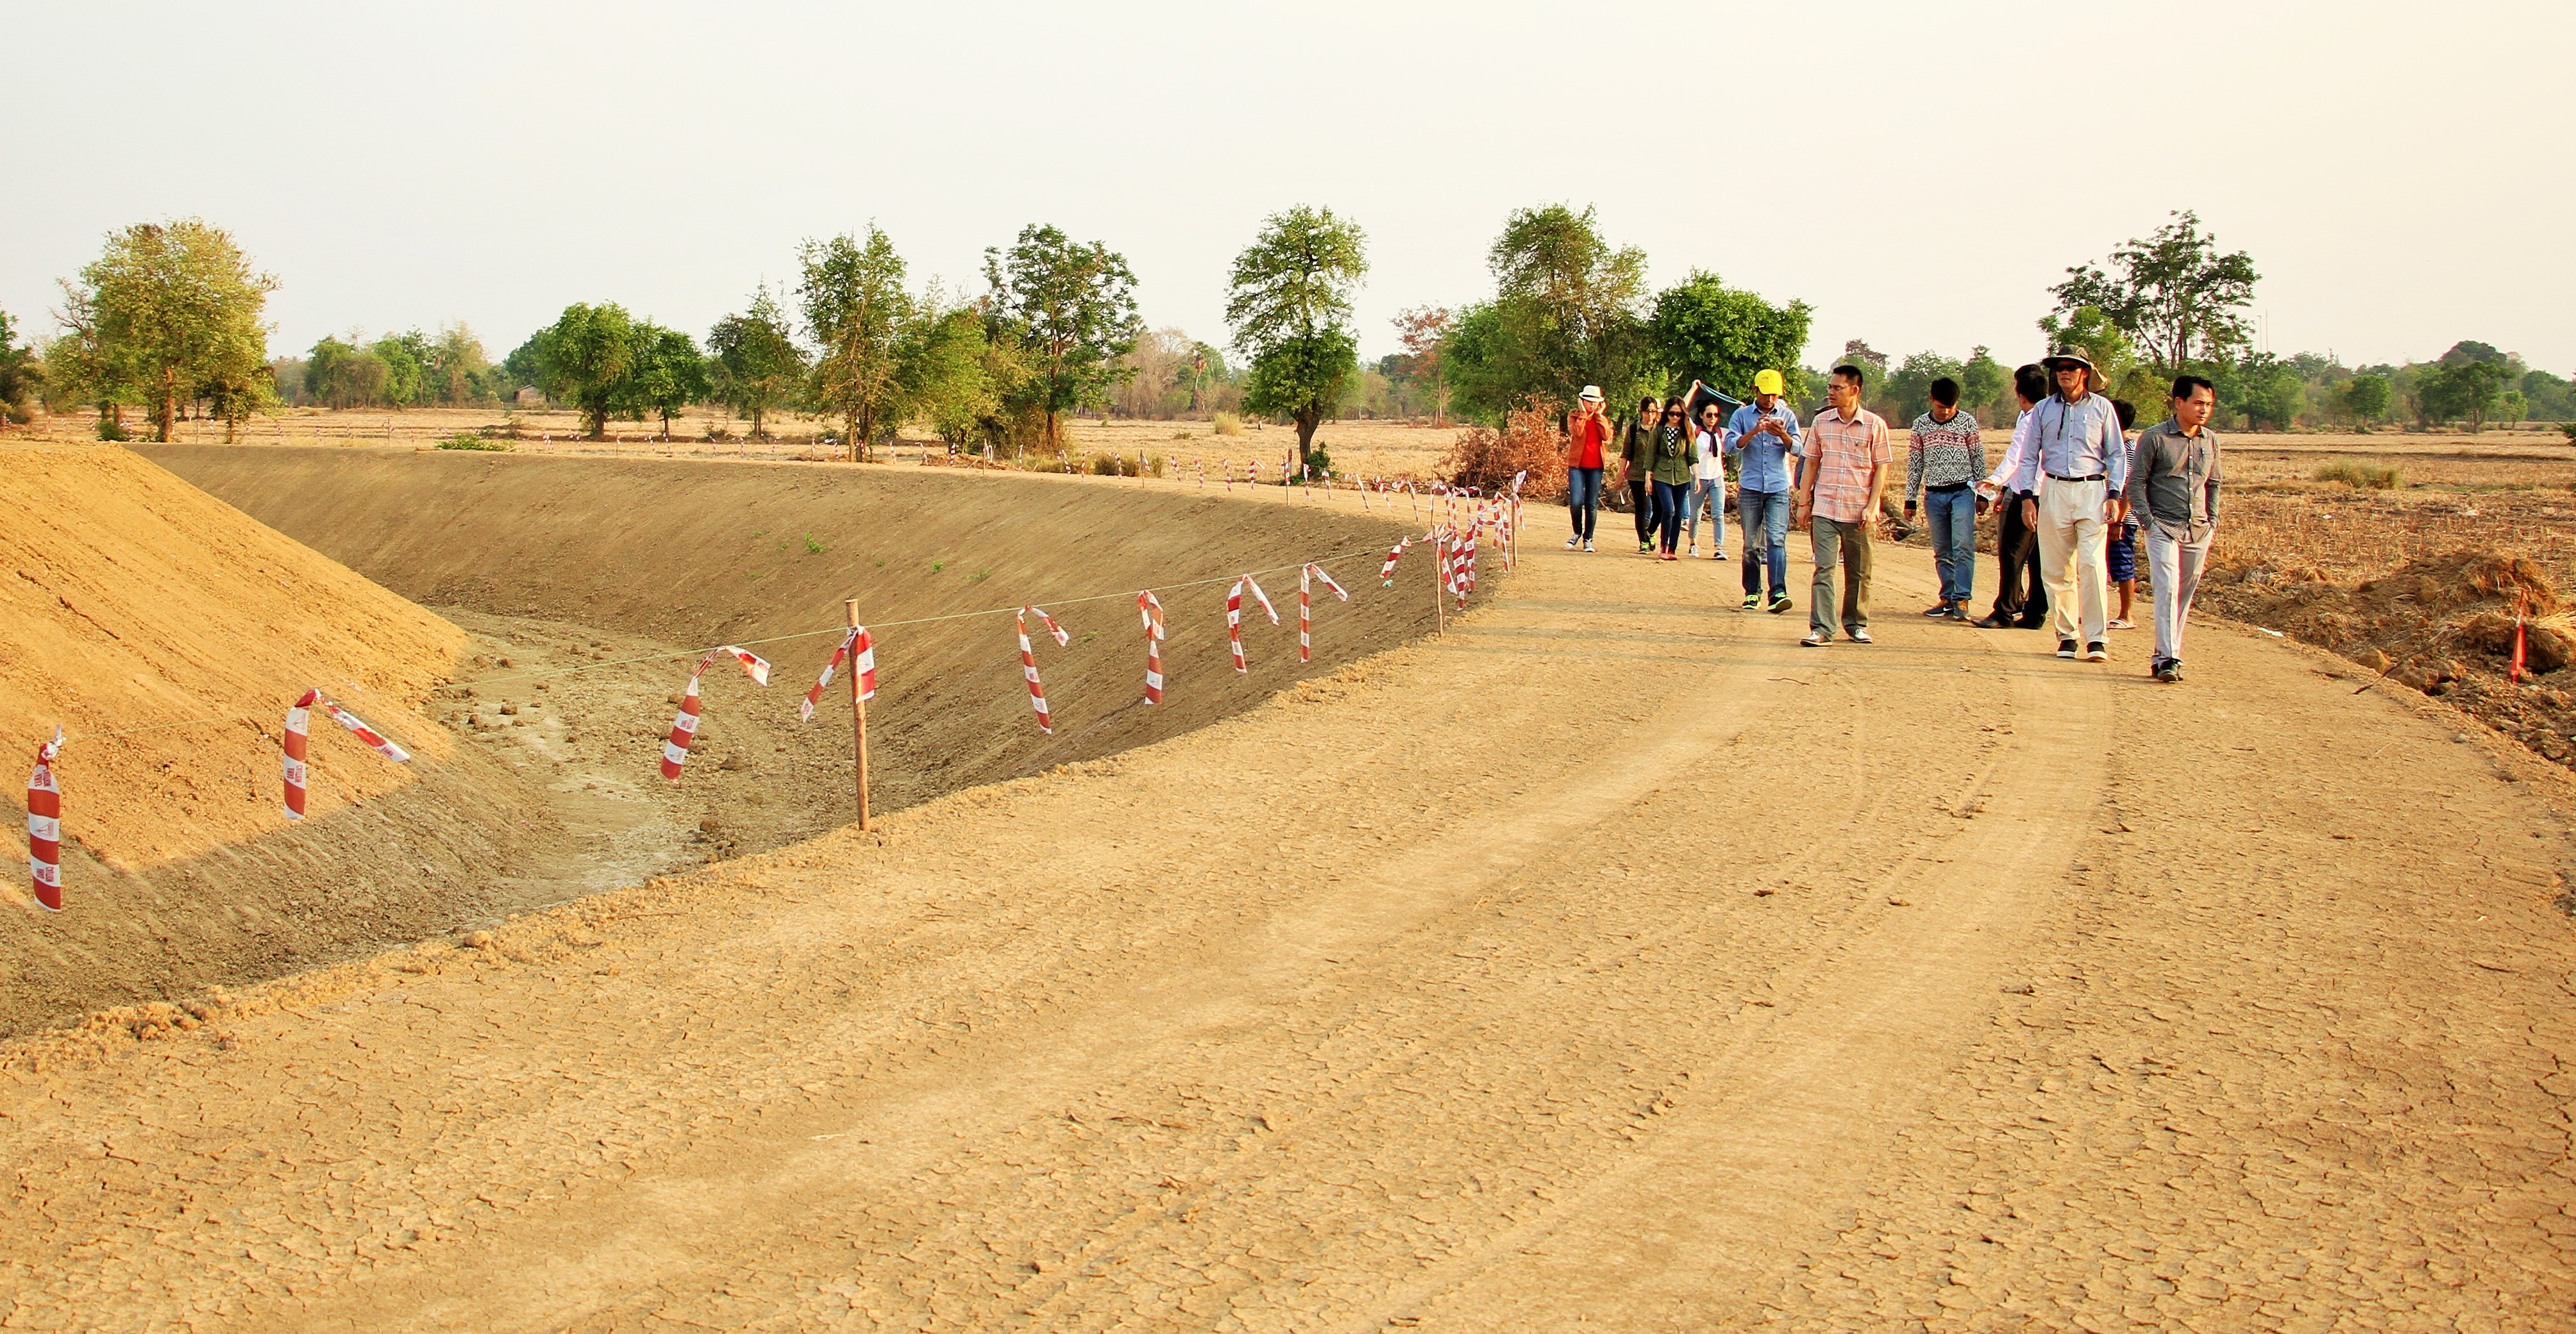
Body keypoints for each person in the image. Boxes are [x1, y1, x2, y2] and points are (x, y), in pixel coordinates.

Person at [2009, 344, 2130, 662]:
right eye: (2060, 367)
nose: (2064, 372)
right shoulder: (2043, 410)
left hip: (2093, 490)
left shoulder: (2102, 408)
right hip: (2054, 489)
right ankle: (2066, 636)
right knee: (2056, 568)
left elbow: (2116, 454)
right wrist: (2027, 499)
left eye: (2071, 367)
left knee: (2091, 564)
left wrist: (2115, 494)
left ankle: (2097, 639)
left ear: (2084, 373)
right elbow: (2029, 456)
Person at [2126, 376, 2223, 682]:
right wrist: (2148, 523)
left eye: (2208, 404)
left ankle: (2163, 654)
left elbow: (2215, 482)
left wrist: (2213, 519)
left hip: (2198, 529)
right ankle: (2171, 658)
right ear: (2179, 403)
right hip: (2163, 526)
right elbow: (2136, 483)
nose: (2203, 410)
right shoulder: (2155, 438)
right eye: (2198, 403)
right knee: (2167, 588)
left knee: (2184, 593)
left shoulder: (2210, 440)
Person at [1793, 365, 1891, 646]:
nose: (1831, 393)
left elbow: (1882, 468)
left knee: (1859, 572)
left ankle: (1856, 623)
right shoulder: (1822, 423)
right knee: (1824, 568)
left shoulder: (1875, 425)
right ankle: (1822, 628)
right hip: (1825, 508)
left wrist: (1873, 506)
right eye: (1830, 388)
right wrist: (1804, 503)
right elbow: (1810, 462)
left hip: (1859, 510)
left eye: (1838, 388)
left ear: (1855, 390)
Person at [1974, 363, 2051, 630]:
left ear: (2021, 394)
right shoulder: (2049, 415)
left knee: (2012, 554)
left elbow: (2017, 455)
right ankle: (2036, 611)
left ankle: (2005, 610)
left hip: (2028, 495)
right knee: (2040, 557)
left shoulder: (2030, 419)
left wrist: (1996, 480)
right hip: (2048, 494)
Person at [1901, 376, 1985, 621]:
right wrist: (1910, 500)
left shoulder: (1968, 423)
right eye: (1941, 406)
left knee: (1963, 545)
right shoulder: (1920, 426)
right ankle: (1947, 597)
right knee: (1942, 550)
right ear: (1931, 400)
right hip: (1935, 495)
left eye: (1951, 406)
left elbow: (1978, 460)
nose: (1947, 411)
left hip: (1963, 493)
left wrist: (1982, 495)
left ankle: (1963, 598)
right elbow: (1915, 465)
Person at [1727, 369, 1803, 613]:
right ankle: (1752, 592)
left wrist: (1783, 435)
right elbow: (1731, 446)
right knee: (1751, 543)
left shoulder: (1788, 416)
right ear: (1755, 391)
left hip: (1778, 485)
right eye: (1765, 394)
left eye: (1774, 395)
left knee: (1777, 540)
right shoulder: (1742, 415)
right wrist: (1754, 431)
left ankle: (1778, 591)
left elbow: (1799, 449)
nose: (1770, 400)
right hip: (1750, 486)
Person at [2105, 399, 2140, 629]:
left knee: (2123, 563)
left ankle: (2127, 614)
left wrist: (2118, 521)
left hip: (2123, 518)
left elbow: (2127, 487)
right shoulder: (2122, 447)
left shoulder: (2127, 449)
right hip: (2117, 516)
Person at [1564, 385, 1609, 551]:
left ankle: (1588, 539)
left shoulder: (1601, 419)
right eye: (1589, 402)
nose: (1592, 405)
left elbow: (1606, 436)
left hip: (1596, 466)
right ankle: (1577, 532)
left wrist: (1600, 417)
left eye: (1595, 402)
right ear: (1582, 401)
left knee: (1591, 504)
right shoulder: (1574, 416)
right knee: (1576, 501)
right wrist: (1584, 415)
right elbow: (1576, 432)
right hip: (1577, 465)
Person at [1648, 401, 1694, 560]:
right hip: (1662, 473)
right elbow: (1651, 454)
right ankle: (1664, 546)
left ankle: (1672, 549)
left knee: (1679, 513)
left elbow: (1692, 456)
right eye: (1672, 413)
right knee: (1669, 509)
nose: (1675, 417)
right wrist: (1648, 477)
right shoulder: (1659, 430)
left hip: (1682, 475)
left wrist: (1698, 477)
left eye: (1678, 414)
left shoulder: (1687, 430)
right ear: (1666, 413)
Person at [1685, 401, 1728, 561]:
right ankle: (1693, 542)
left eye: (1716, 415)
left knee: (1718, 514)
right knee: (1695, 514)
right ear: (1702, 415)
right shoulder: (1695, 431)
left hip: (1717, 477)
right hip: (1699, 477)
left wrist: (1742, 409)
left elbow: (1740, 431)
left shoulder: (1721, 433)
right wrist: (1693, 388)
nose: (1712, 418)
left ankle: (1719, 547)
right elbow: (1683, 408)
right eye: (1709, 414)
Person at [1617, 396, 1660, 554]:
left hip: (1658, 475)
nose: (1650, 415)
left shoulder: (1661, 429)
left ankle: (1650, 532)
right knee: (1641, 509)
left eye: (1654, 411)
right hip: (1637, 474)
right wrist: (1620, 474)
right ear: (1641, 411)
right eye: (1647, 411)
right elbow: (1626, 453)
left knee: (1660, 508)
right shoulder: (1634, 429)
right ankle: (1643, 541)